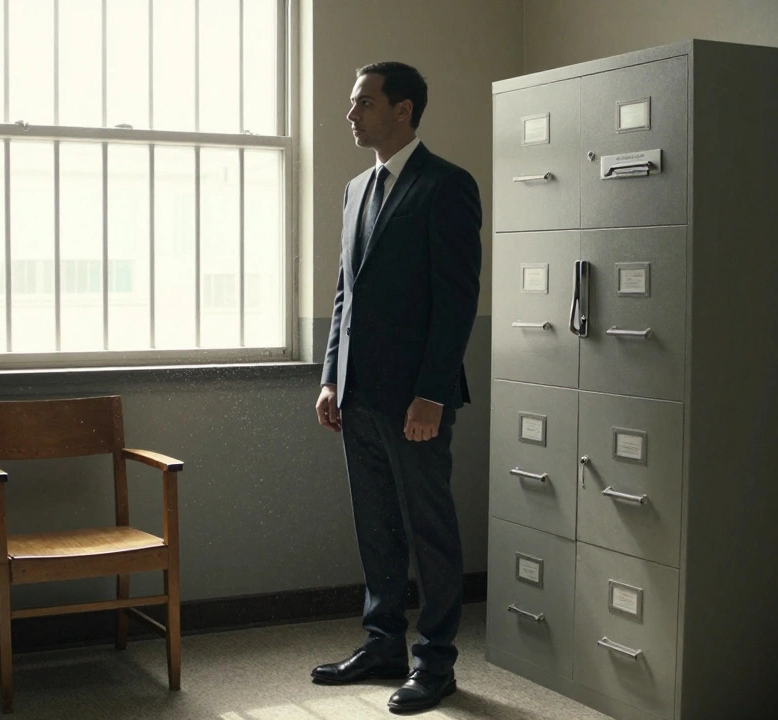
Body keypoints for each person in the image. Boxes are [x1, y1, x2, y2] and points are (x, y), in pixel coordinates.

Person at [311, 61, 482, 713]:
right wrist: (331, 377)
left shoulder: (447, 186)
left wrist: (432, 394)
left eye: (363, 103)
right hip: (356, 396)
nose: (351, 114)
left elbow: (457, 300)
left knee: (428, 529)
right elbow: (344, 295)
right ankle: (382, 644)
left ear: (402, 110)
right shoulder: (357, 189)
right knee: (376, 525)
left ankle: (435, 662)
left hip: (417, 400)